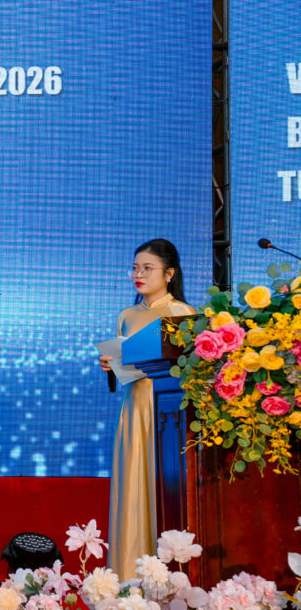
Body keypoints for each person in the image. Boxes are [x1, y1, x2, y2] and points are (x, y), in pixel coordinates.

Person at [99, 238, 192, 579]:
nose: (138, 275)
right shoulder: (126, 316)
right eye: (135, 268)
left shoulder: (184, 314)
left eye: (147, 268)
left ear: (169, 273)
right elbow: (123, 363)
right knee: (132, 486)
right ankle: (128, 576)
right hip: (134, 409)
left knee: (166, 490)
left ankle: (170, 577)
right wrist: (110, 365)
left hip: (169, 414)